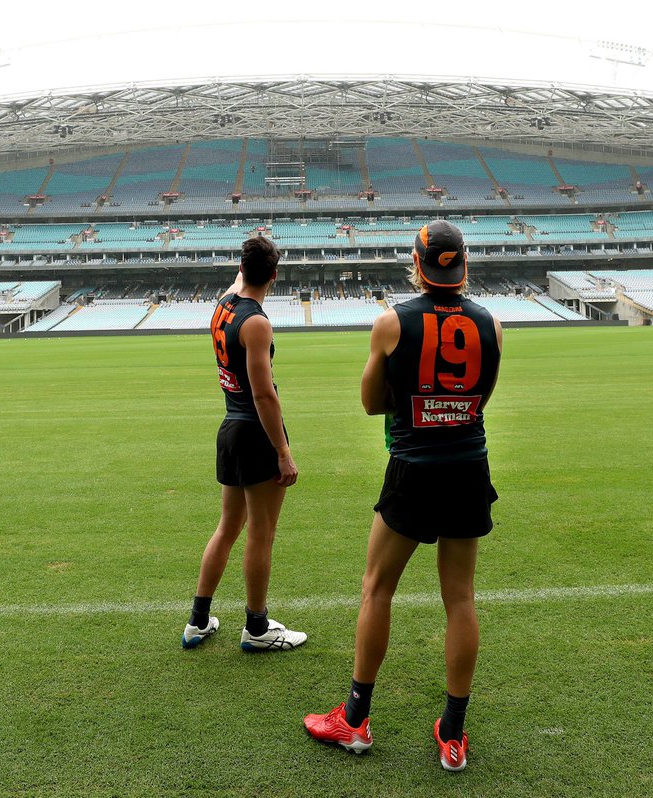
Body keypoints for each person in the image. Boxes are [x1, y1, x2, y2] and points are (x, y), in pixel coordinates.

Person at [304, 220, 502, 771]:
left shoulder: (391, 322)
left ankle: (355, 719)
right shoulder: (492, 323)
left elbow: (372, 403)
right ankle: (453, 734)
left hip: (414, 468)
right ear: (464, 264)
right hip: (468, 465)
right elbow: (479, 399)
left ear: (416, 264)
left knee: (377, 589)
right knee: (460, 599)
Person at [182, 235, 307, 652]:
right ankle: (256, 626)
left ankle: (198, 621)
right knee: (261, 534)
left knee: (227, 528)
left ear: (241, 268)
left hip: (230, 429)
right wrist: (283, 452)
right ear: (274, 275)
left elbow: (240, 281)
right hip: (256, 434)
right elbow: (264, 395)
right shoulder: (256, 323)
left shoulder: (224, 305)